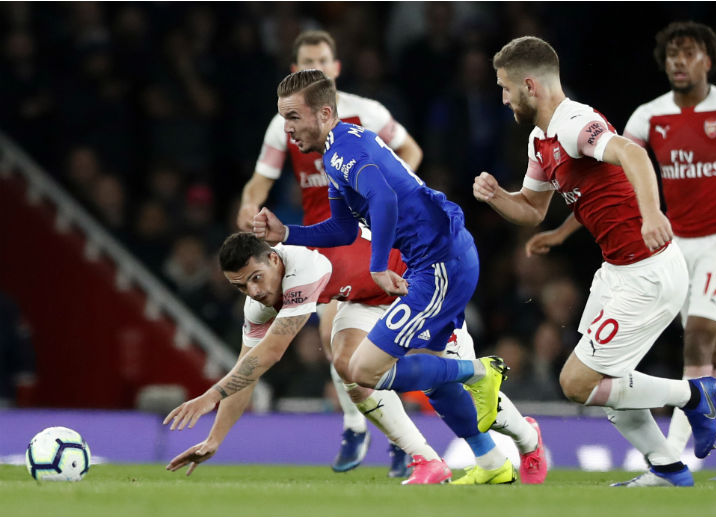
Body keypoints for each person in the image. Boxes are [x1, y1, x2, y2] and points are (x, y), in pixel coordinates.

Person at [250, 69, 519, 485]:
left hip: (440, 263)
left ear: (324, 113)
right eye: (283, 119)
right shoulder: (337, 151)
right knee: (427, 374)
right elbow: (341, 229)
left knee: (364, 370)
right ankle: (492, 463)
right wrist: (287, 232)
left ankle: (482, 374)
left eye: (293, 117)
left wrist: (377, 266)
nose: (287, 129)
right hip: (437, 260)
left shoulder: (343, 153)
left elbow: (385, 198)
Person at [473, 36, 716, 487]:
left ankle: (693, 395)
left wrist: (651, 215)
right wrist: (497, 198)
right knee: (607, 386)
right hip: (616, 270)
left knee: (578, 382)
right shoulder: (539, 139)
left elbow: (632, 153)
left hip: (648, 271)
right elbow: (531, 208)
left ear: (530, 84)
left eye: (506, 88)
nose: (503, 97)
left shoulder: (574, 123)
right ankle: (667, 469)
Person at [164, 233, 548, 485]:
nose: (254, 290)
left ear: (273, 259)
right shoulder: (259, 302)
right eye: (241, 286)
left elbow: (272, 354)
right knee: (349, 368)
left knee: (453, 389)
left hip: (413, 282)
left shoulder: (303, 267)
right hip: (364, 299)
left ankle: (526, 438)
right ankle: (429, 460)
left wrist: (210, 394)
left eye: (256, 277)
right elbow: (247, 370)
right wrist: (215, 437)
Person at [235, 30, 423, 476]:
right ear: (293, 70)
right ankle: (358, 425)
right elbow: (259, 183)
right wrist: (248, 205)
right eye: (304, 62)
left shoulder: (368, 113)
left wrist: (389, 191)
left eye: (321, 60)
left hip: (372, 236)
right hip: (322, 239)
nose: (313, 67)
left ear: (336, 68)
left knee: (379, 342)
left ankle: (398, 438)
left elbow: (411, 151)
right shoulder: (283, 123)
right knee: (331, 335)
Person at [620, 21, 716, 481]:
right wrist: (563, 230)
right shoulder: (648, 116)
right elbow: (620, 176)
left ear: (708, 61)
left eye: (689, 52)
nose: (679, 60)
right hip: (678, 245)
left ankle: (668, 463)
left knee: (697, 338)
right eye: (673, 53)